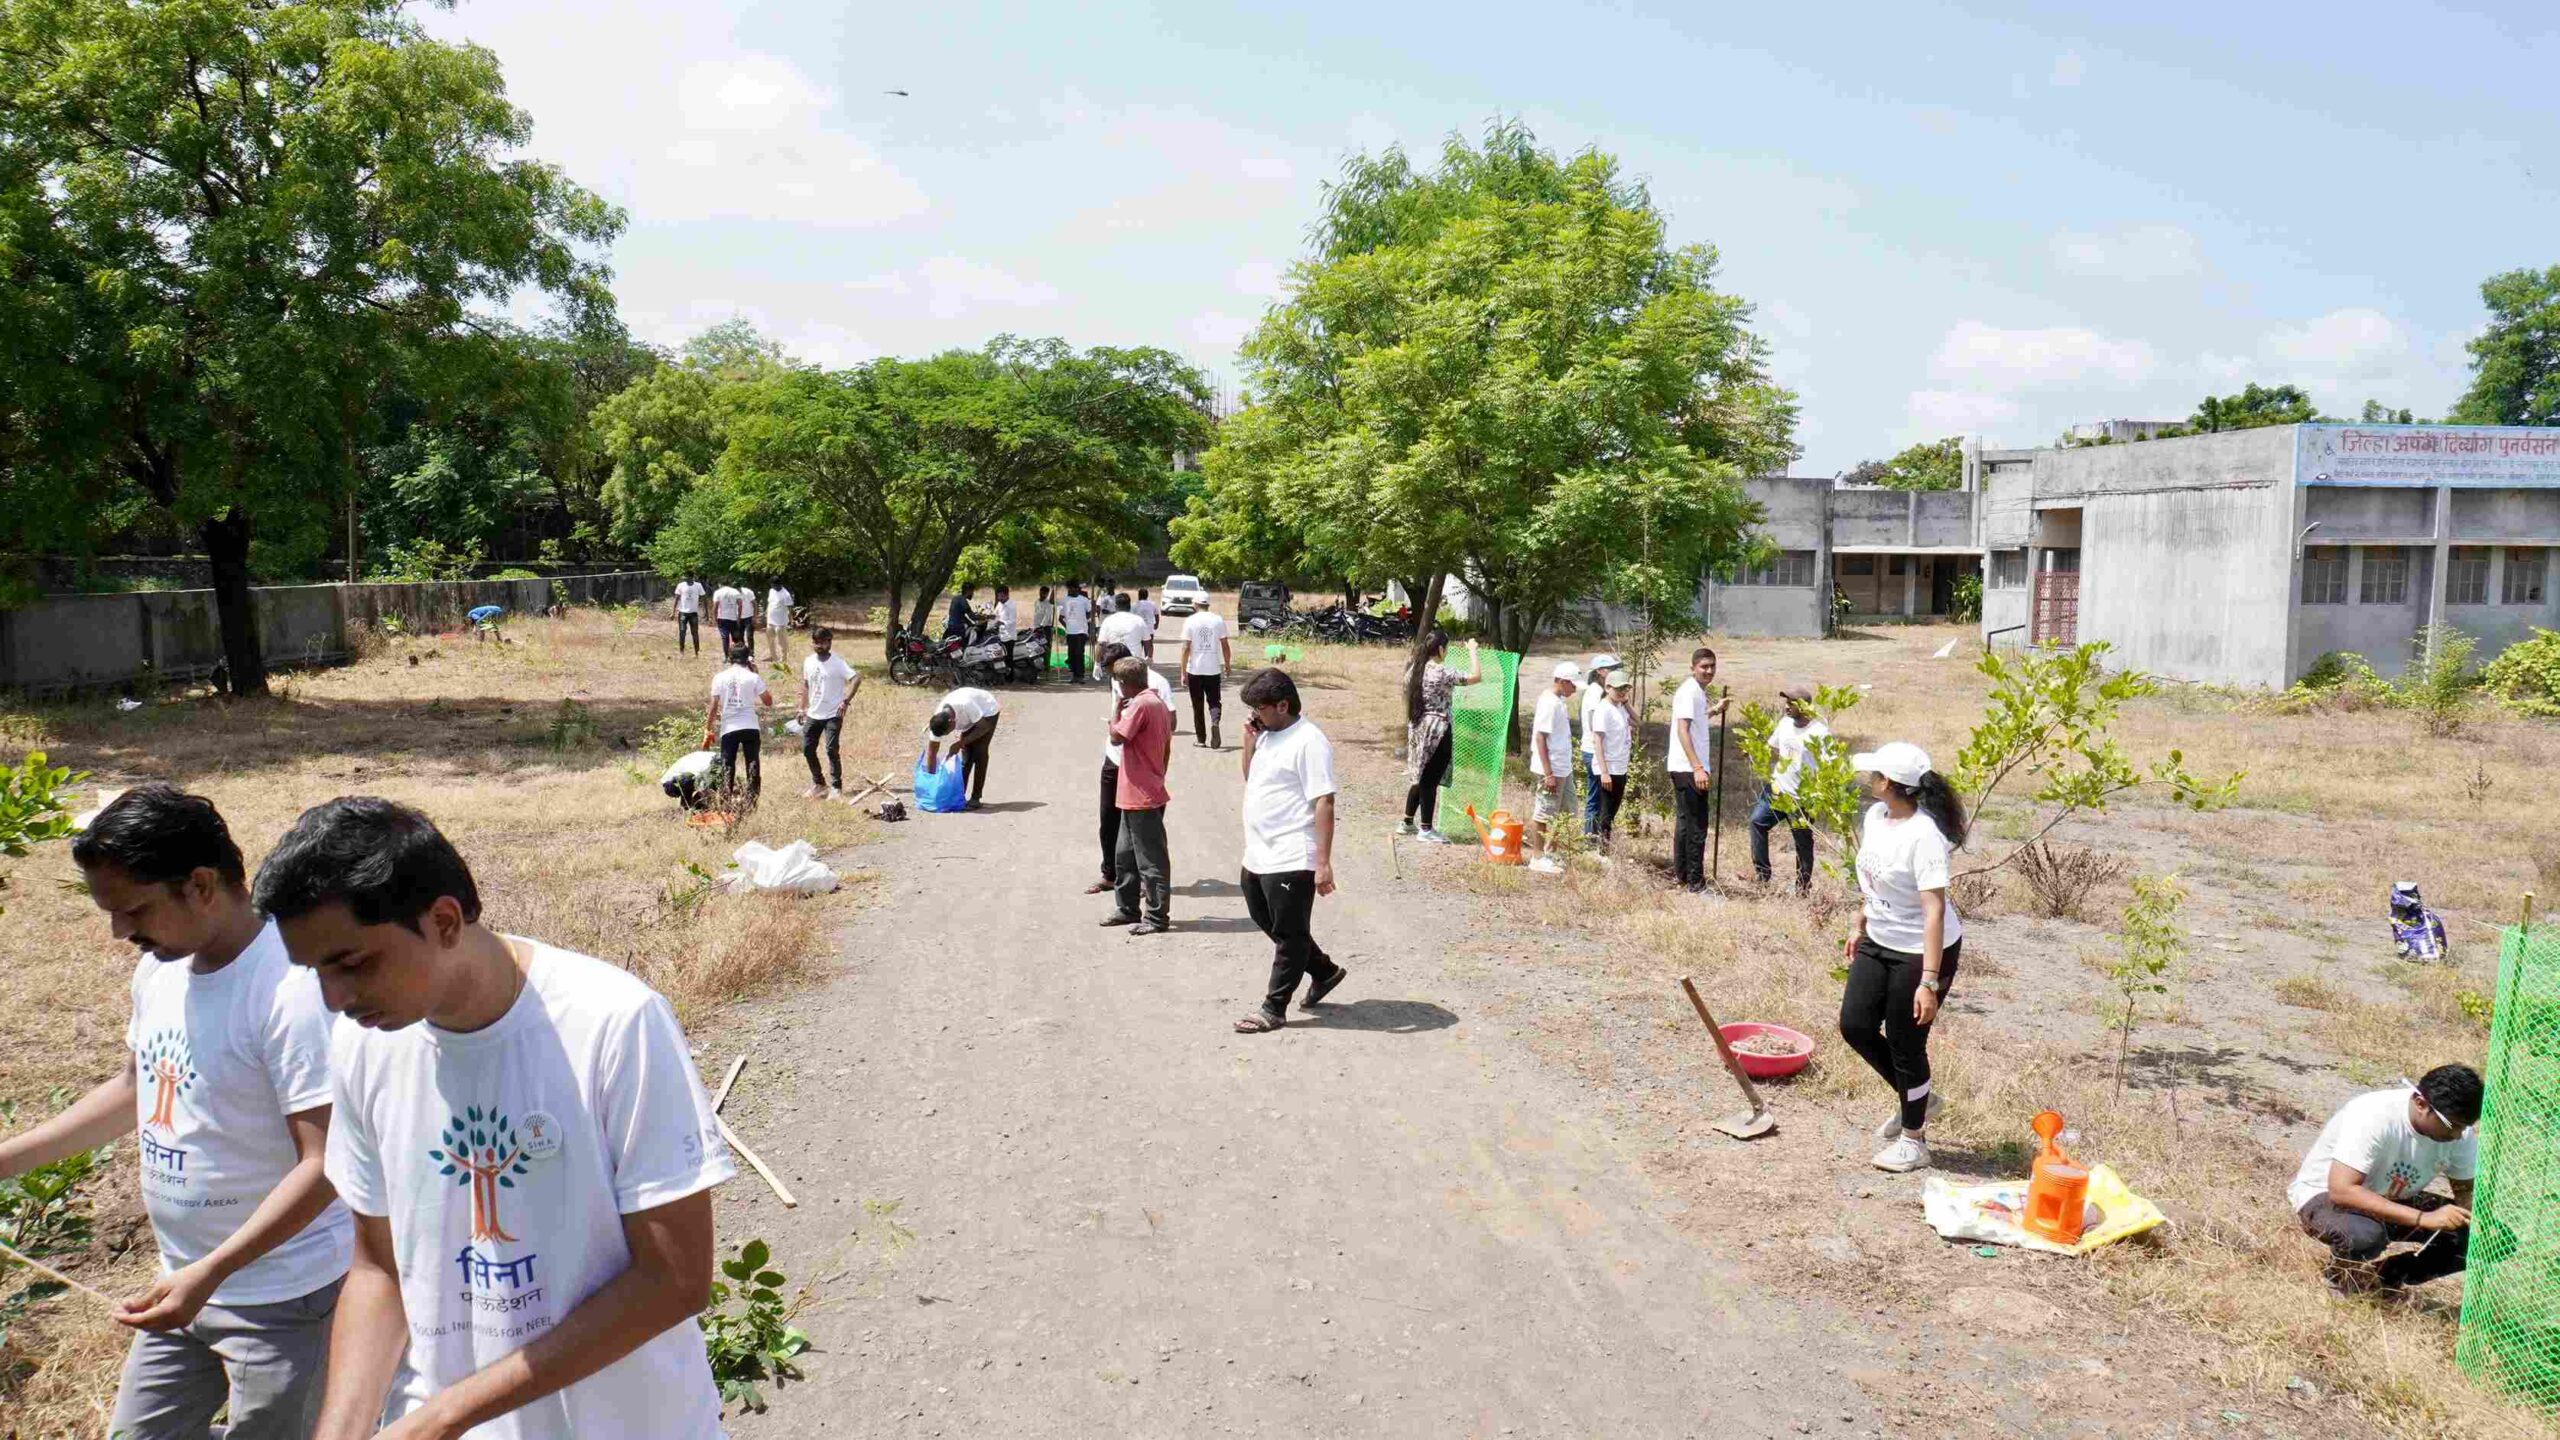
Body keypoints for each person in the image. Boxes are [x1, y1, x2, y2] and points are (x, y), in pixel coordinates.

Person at [253, 798, 734, 1440]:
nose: (334, 999)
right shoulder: (363, 1045)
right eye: (315, 972)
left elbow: (673, 1279)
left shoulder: (614, 1024)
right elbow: (380, 1267)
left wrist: (448, 1415)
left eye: (352, 963)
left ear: (444, 921)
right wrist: (340, 1430)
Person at [0, 786, 352, 1440]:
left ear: (200, 885)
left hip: (283, 1296)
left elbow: (326, 1162)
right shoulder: (163, 969)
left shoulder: (289, 992)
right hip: (181, 1286)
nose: (120, 932)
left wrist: (212, 1271)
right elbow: (133, 1091)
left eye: (133, 909)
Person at [1839, 741, 1966, 1173]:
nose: (1868, 779)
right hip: (1879, 937)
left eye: (1874, 774)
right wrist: (1860, 920)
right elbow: (1875, 878)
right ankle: (1921, 1099)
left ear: (1889, 783)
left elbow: (1934, 911)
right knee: (1855, 1025)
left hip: (1921, 950)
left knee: (1905, 1043)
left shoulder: (1924, 836)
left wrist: (1929, 981)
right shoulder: (1876, 816)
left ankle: (1914, 1140)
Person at [2290, 1065, 2481, 1294]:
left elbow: (2466, 1190)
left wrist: (2475, 1218)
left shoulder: (2458, 1132)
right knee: (2364, 1236)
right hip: (2326, 1195)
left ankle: (2384, 1277)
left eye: (2465, 1127)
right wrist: (2423, 1218)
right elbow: (2342, 1190)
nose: (2458, 1135)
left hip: (2391, 1197)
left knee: (2486, 1239)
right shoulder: (2375, 1114)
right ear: (2421, 1104)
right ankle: (2339, 1276)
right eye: (2453, 1126)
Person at [1232, 668, 1349, 1034]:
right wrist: (1249, 742)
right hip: (1259, 850)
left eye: (1260, 708)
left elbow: (1324, 801)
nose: (1254, 715)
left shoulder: (1309, 741)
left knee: (1289, 934)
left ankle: (1274, 1008)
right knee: (1264, 917)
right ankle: (1324, 971)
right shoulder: (1267, 734)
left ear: (1283, 705)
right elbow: (1252, 777)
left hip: (1292, 852)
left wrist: (1322, 863)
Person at [1086, 641, 1176, 895]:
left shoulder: (1154, 686)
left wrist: (1159, 769)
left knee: (1143, 833)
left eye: (1115, 673)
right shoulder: (1122, 682)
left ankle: (1147, 884)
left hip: (1141, 771)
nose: (1114, 680)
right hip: (1115, 761)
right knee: (1110, 822)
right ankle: (1111, 875)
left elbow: (1169, 725)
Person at [1101, 656, 1176, 935]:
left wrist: (1116, 712)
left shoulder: (1141, 705)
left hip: (1141, 795)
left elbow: (1116, 737)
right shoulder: (1155, 702)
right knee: (1125, 856)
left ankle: (1156, 917)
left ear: (1123, 683)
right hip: (1137, 793)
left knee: (1151, 860)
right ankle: (1127, 908)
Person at [1398, 632, 1480, 843]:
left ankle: (1407, 822)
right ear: (1441, 649)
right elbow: (1475, 676)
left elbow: (1406, 695)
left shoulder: (1414, 670)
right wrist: (1472, 651)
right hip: (1438, 730)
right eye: (1447, 648)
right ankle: (1426, 829)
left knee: (1420, 775)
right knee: (1430, 780)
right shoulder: (1442, 672)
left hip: (1417, 729)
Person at [1752, 682, 1828, 893]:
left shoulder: (1819, 732)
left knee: (1802, 842)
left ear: (1804, 706)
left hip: (1802, 798)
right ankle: (1763, 876)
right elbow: (1772, 746)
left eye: (1791, 703)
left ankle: (1802, 887)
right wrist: (1753, 750)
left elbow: (1829, 765)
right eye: (1786, 702)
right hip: (1778, 790)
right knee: (1757, 822)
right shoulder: (1785, 723)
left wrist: (1818, 794)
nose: (1786, 706)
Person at [1665, 647, 1730, 893]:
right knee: (1696, 826)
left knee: (1686, 822)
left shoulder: (1696, 692)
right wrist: (1698, 767)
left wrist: (1715, 710)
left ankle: (1682, 875)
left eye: (1712, 666)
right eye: (1704, 666)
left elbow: (1696, 721)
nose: (1709, 671)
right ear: (1692, 667)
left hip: (1686, 767)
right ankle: (1696, 883)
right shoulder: (1689, 692)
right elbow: (1682, 730)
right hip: (1689, 768)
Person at [1526, 661, 1582, 874]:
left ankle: (1551, 851)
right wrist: (1548, 774)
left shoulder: (1559, 701)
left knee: (1566, 811)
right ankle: (1537, 857)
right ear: (1561, 681)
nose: (1574, 689)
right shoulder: (1549, 703)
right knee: (1543, 813)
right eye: (1572, 685)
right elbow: (1540, 738)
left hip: (1563, 767)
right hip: (1550, 769)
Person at [798, 626, 859, 800]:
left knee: (831, 750)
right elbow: (805, 685)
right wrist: (801, 708)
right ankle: (819, 784)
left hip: (833, 714)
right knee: (807, 749)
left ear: (829, 642)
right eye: (815, 642)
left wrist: (845, 701)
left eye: (822, 642)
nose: (818, 646)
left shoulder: (838, 663)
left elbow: (856, 679)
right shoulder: (808, 661)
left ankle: (836, 787)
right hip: (814, 713)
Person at [706, 643, 772, 801]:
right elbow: (768, 701)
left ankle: (725, 799)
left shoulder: (719, 677)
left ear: (730, 658)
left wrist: (708, 728)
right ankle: (752, 799)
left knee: (727, 764)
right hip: (750, 726)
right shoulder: (753, 677)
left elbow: (714, 706)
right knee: (752, 762)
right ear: (747, 658)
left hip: (729, 727)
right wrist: (756, 674)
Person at [924, 686, 1001, 809]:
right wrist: (930, 782)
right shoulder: (938, 721)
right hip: (970, 718)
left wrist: (960, 743)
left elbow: (983, 727)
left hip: (987, 712)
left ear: (951, 721)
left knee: (980, 752)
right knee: (966, 757)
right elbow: (932, 752)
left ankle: (975, 798)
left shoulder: (965, 704)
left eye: (947, 732)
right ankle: (959, 795)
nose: (947, 735)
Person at [1587, 670, 1634, 844]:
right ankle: (1602, 848)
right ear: (1608, 688)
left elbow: (1638, 722)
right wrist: (1604, 772)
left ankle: (1604, 845)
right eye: (1618, 688)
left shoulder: (1620, 707)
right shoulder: (1603, 709)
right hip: (1608, 767)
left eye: (1625, 688)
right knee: (1606, 812)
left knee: (1613, 810)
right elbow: (1598, 742)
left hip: (1621, 766)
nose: (1622, 692)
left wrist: (1626, 704)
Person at [1180, 595, 1233, 746]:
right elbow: (1225, 645)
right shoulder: (1218, 620)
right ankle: (1215, 722)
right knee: (1214, 701)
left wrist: (1183, 672)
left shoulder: (1190, 621)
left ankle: (1201, 739)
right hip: (1213, 669)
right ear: (1207, 604)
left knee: (1197, 705)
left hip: (1195, 670)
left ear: (1195, 604)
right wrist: (1227, 664)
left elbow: (1185, 647)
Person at [1578, 651, 1620, 838]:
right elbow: (1595, 725)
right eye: (1611, 669)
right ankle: (1590, 837)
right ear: (1600, 671)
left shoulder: (1597, 690)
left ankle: (1594, 836)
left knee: (1598, 796)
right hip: (1593, 750)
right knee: (1596, 797)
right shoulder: (1595, 692)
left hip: (1594, 749)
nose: (1614, 672)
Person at [1096, 593, 1149, 684]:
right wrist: (1148, 658)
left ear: (1116, 606)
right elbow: (1147, 642)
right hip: (1134, 662)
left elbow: (1101, 644)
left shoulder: (1108, 621)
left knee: (1117, 689)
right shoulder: (1139, 620)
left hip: (1115, 663)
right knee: (1134, 688)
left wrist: (1097, 663)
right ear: (1129, 606)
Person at [1059, 583, 1093, 683]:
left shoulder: (1084, 600)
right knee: (1071, 654)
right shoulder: (1065, 600)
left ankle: (1080, 676)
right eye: (1069, 589)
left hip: (1081, 631)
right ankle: (1074, 675)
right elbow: (1060, 617)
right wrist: (1067, 626)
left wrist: (1084, 619)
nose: (1070, 590)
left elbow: (1090, 612)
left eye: (1072, 588)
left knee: (1079, 653)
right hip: (1070, 632)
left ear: (1077, 589)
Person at [672, 574, 705, 655]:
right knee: (682, 631)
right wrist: (673, 612)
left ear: (692, 577)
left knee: (695, 632)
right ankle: (681, 651)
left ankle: (697, 652)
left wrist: (706, 613)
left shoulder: (698, 585)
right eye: (685, 577)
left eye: (688, 577)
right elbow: (676, 599)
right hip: (683, 613)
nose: (686, 578)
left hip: (693, 613)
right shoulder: (680, 585)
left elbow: (704, 599)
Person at [762, 579, 793, 663]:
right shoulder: (771, 591)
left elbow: (790, 608)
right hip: (770, 620)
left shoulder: (786, 594)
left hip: (780, 622)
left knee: (782, 642)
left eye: (774, 585)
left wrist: (791, 620)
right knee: (770, 640)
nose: (773, 587)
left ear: (779, 584)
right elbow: (770, 603)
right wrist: (766, 613)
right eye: (772, 585)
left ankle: (784, 659)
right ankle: (773, 656)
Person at [1133, 587, 1160, 663]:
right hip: (1149, 629)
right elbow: (1157, 614)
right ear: (1147, 595)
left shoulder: (1135, 605)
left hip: (1138, 630)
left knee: (1138, 645)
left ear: (1139, 595)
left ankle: (1137, 660)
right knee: (1149, 645)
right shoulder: (1152, 604)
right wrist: (1156, 624)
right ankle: (1149, 659)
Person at [1034, 586, 1058, 668]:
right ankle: (1039, 664)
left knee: (1046, 647)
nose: (1042, 595)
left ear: (1047, 594)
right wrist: (1035, 626)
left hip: (1045, 628)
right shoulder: (1036, 602)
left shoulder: (1049, 604)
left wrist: (1042, 626)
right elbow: (1036, 615)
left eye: (1044, 594)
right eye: (1041, 593)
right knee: (1037, 647)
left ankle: (1046, 665)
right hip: (1036, 628)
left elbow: (1047, 616)